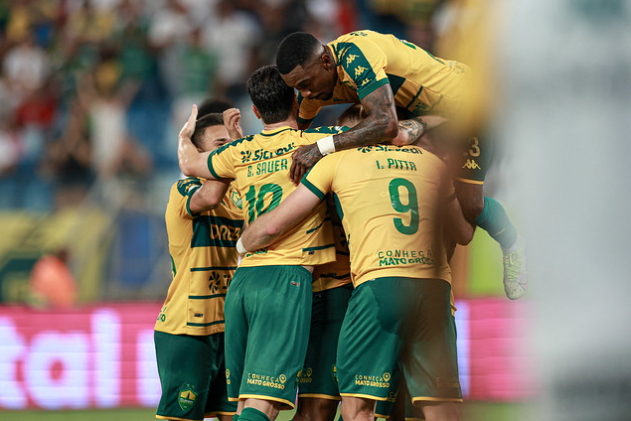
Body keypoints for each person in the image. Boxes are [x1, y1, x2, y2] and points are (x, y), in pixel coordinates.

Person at [237, 130, 475, 421]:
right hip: (436, 290)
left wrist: (241, 244)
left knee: (357, 408)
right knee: (441, 407)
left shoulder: (338, 160)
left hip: (379, 286)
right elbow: (463, 233)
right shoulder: (431, 162)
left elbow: (273, 225)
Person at [275, 30, 527, 300]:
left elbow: (385, 122)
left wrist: (321, 147)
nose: (306, 93)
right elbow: (294, 141)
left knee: (469, 205)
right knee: (437, 207)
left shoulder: (355, 55)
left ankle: (513, 244)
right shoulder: (310, 92)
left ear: (326, 61)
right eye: (298, 88)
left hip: (462, 106)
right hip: (417, 117)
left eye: (306, 83)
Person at [176, 65, 342, 421]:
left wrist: (185, 135)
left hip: (243, 283)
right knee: (262, 405)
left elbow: (190, 164)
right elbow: (374, 133)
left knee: (241, 405)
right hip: (285, 279)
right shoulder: (315, 146)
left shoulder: (238, 152)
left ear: (254, 111)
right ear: (298, 100)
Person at [154, 113, 243, 421]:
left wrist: (241, 143)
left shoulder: (236, 196)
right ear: (200, 155)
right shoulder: (185, 190)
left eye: (231, 146)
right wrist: (184, 144)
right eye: (221, 146)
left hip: (227, 328)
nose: (229, 151)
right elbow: (209, 193)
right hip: (187, 329)